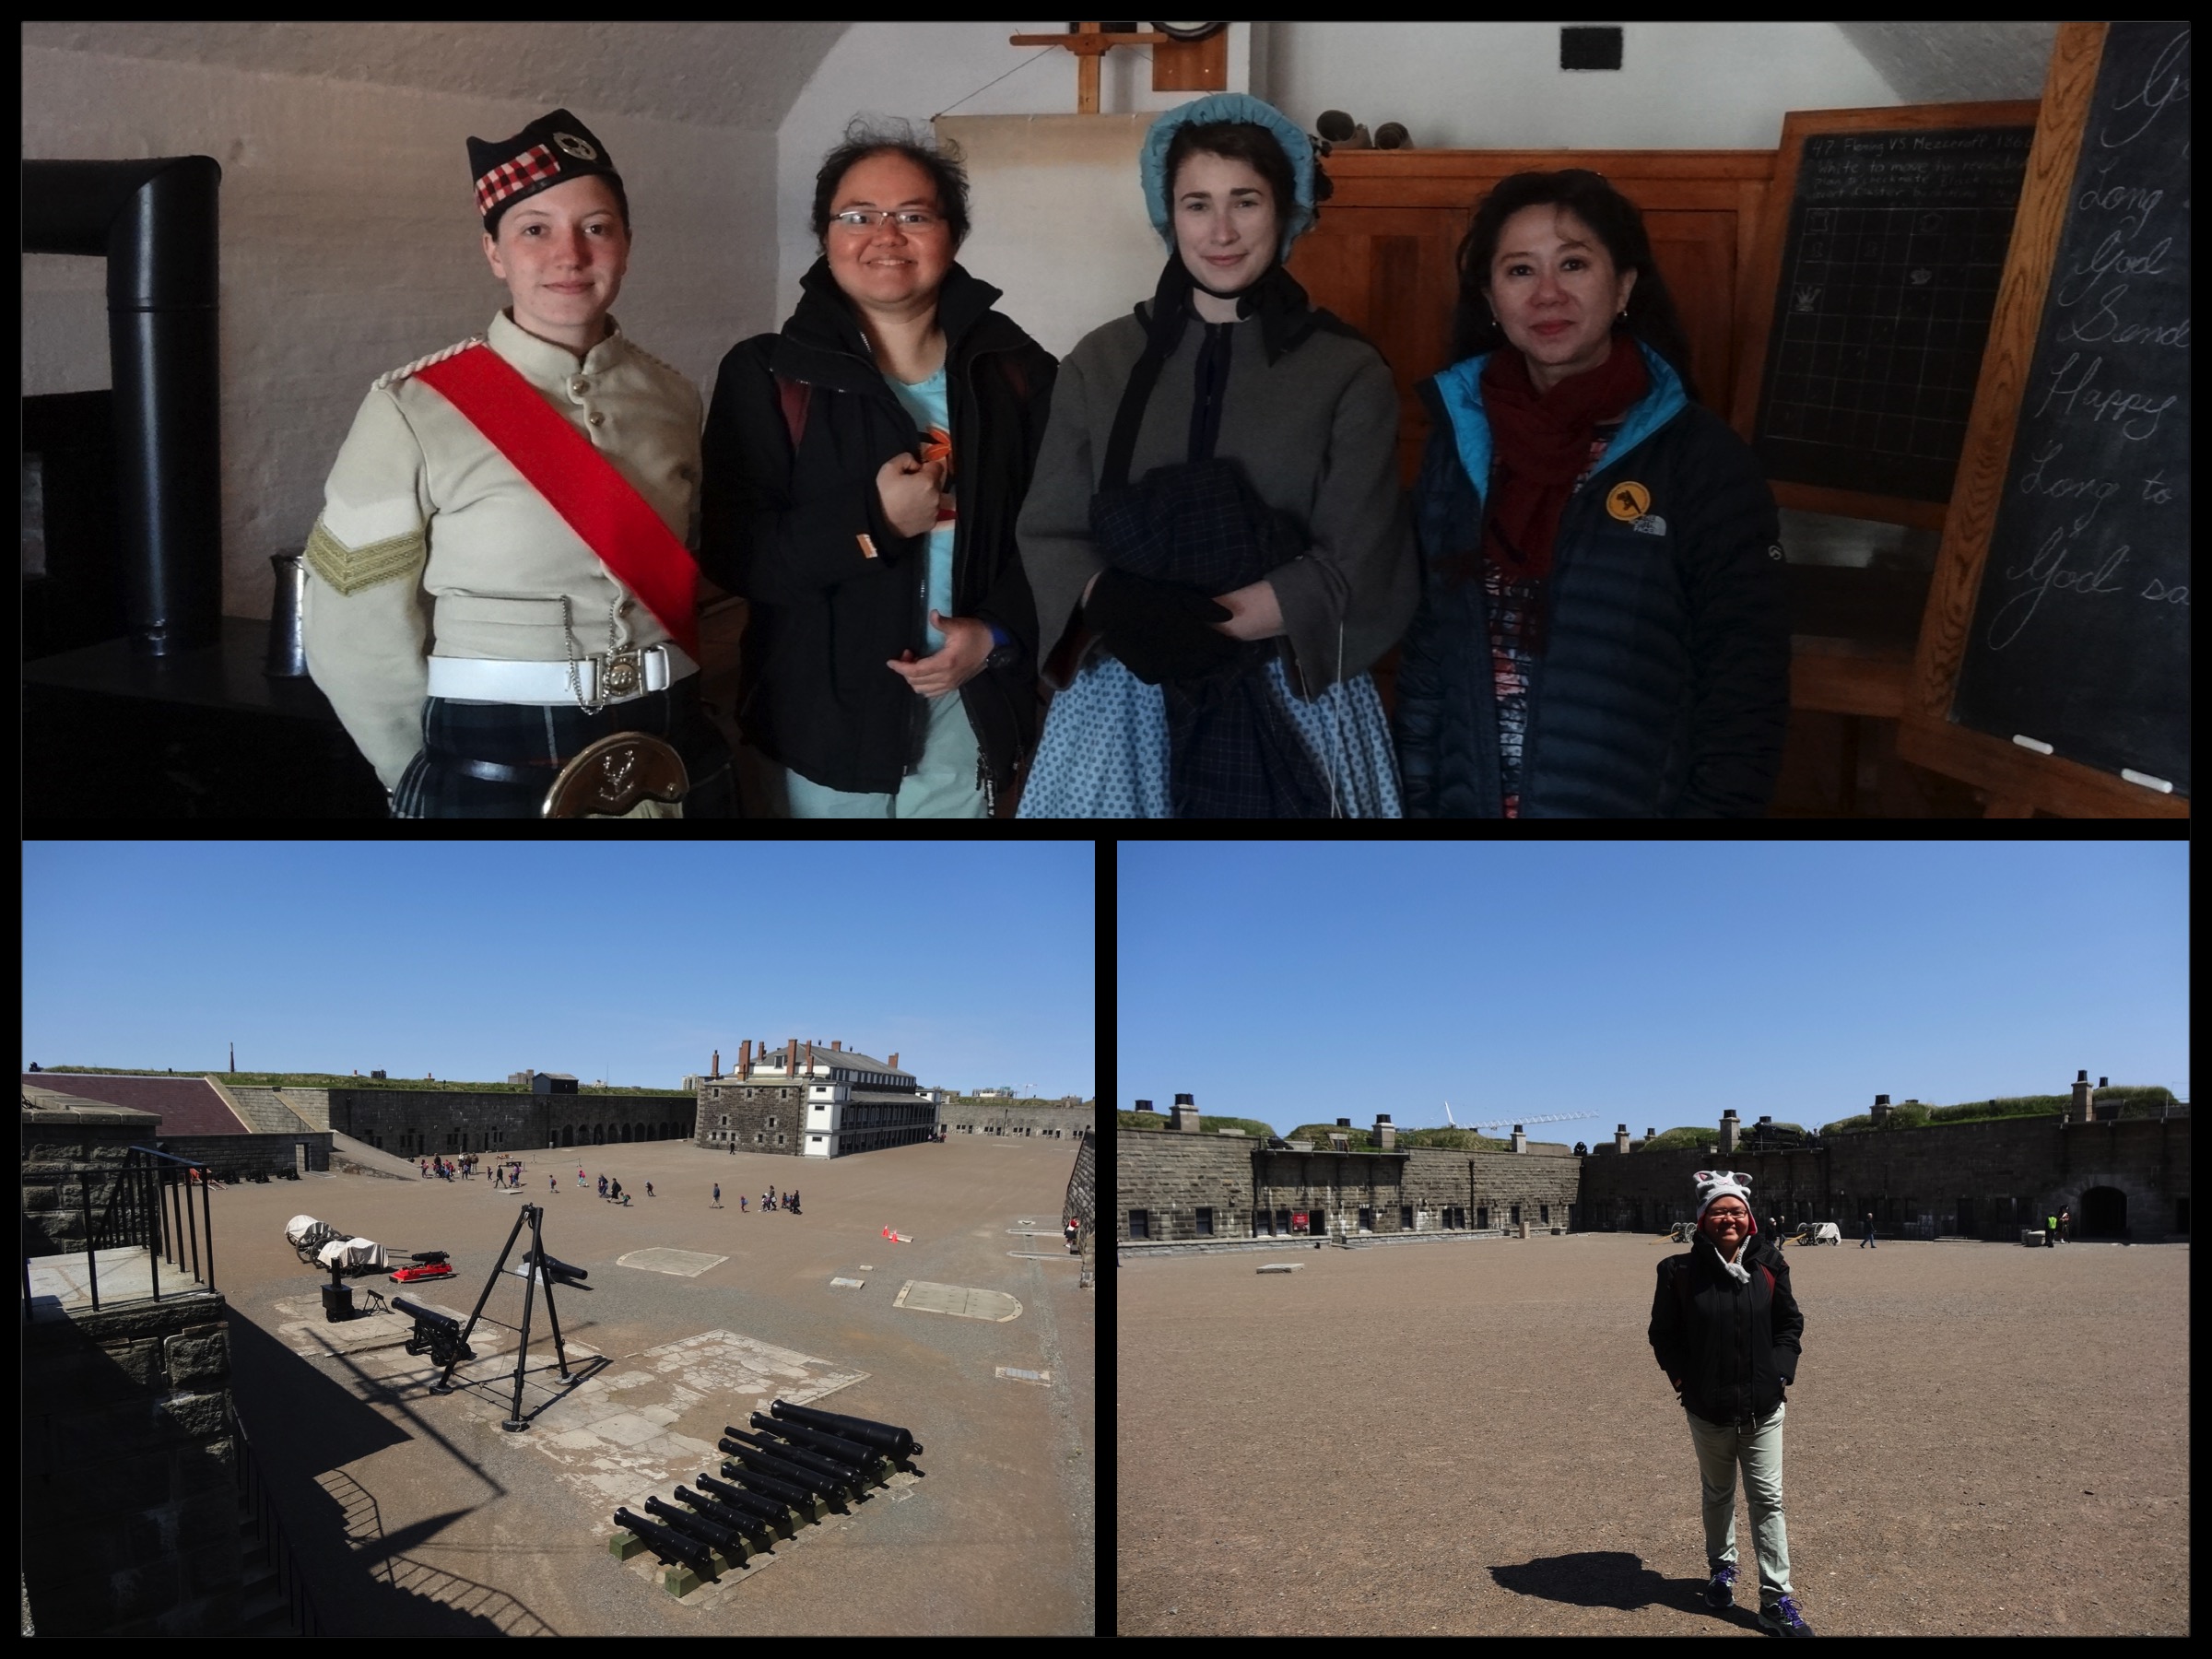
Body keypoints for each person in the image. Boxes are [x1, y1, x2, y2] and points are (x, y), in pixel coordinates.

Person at [302, 108, 734, 817]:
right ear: (494, 253)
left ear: (626, 244)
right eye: (535, 229)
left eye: (596, 227)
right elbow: (352, 628)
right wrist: (416, 773)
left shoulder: (673, 397)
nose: (570, 255)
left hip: (670, 740)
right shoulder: (411, 407)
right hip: (492, 757)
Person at [1017, 93, 1415, 818]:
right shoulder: (1097, 363)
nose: (1221, 231)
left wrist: (1202, 625)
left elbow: (1361, 560)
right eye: (1197, 203)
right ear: (1167, 213)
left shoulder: (1348, 372)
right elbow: (1049, 528)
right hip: (1123, 690)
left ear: (1287, 209)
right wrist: (1111, 601)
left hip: (1291, 693)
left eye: (1246, 201)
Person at [1394, 170, 1791, 817]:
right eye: (1520, 271)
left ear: (1625, 286)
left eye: (1573, 264)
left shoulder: (1700, 458)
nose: (1548, 294)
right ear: (1491, 300)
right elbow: (1430, 653)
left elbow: (1745, 684)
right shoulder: (1460, 446)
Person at [700, 120, 1055, 817]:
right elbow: (738, 554)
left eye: (914, 216)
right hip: (820, 738)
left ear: (951, 237)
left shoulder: (1017, 375)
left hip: (968, 725)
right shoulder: (771, 374)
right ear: (826, 237)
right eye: (858, 216)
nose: (885, 235)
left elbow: (1055, 536)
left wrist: (994, 635)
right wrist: (875, 525)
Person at [1650, 1173, 1813, 1636]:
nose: (1729, 1218)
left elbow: (1789, 1323)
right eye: (1719, 1211)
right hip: (1708, 1406)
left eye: (1736, 1210)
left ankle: (1775, 1599)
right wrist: (1684, 1378)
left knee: (1768, 1500)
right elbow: (1663, 1334)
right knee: (1718, 1493)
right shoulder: (1677, 1272)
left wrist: (1781, 1372)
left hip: (1763, 1405)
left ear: (1750, 1218)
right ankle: (1721, 1569)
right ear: (1702, 1220)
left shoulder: (1769, 1264)